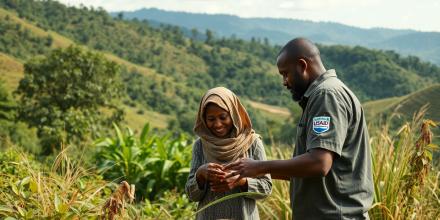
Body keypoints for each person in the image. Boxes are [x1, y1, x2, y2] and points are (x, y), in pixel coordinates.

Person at [225, 38, 374, 219]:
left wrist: (259, 166)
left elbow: (320, 164)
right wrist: (253, 171)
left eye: (285, 74)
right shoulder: (321, 96)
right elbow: (307, 171)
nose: (284, 82)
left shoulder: (326, 95)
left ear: (303, 65)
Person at [185, 87, 272, 220]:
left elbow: (266, 188)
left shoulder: (252, 142)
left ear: (234, 114)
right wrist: (201, 174)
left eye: (223, 117)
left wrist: (241, 182)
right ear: (203, 119)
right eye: (211, 119)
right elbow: (192, 195)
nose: (218, 124)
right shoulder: (200, 145)